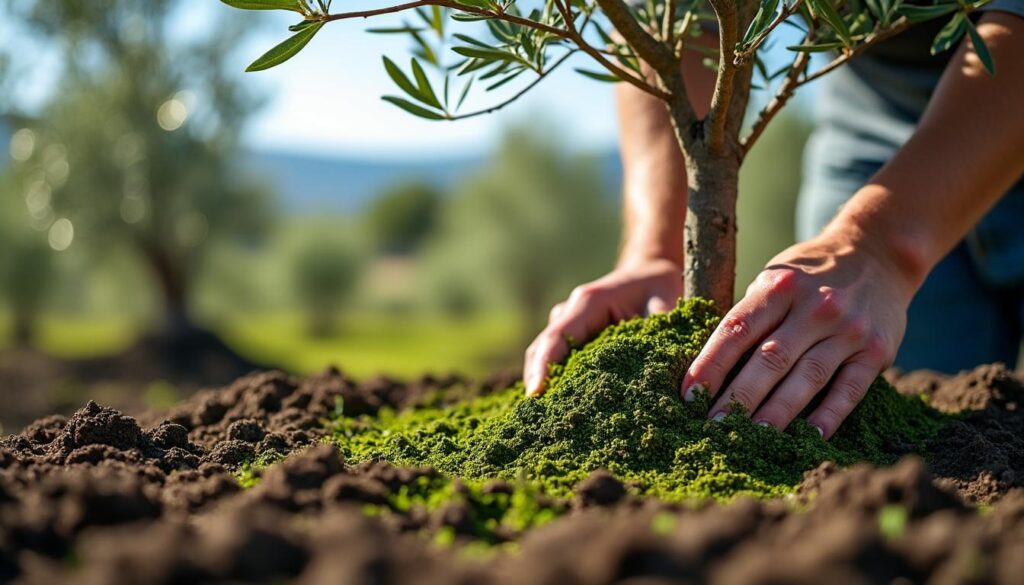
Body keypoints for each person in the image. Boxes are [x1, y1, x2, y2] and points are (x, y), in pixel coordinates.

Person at [523, 5, 1024, 439]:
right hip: (873, 121)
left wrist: (880, 249)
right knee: (875, 402)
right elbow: (679, 22)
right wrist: (656, 250)